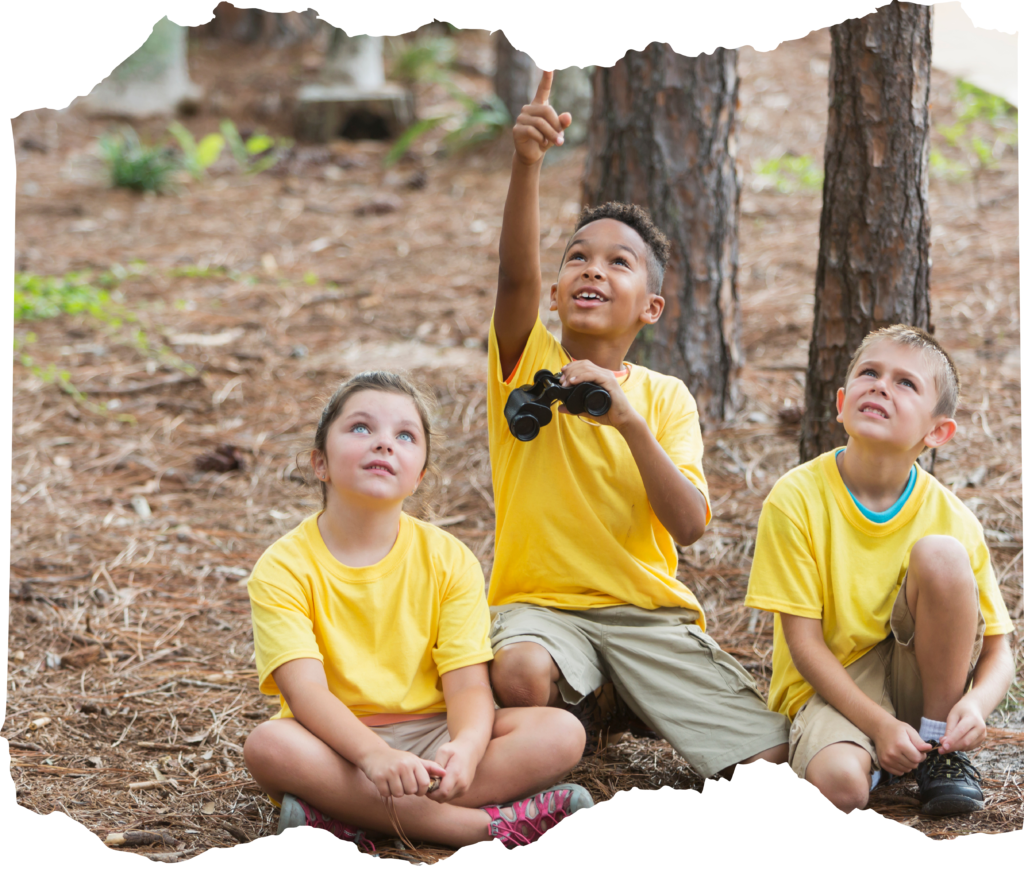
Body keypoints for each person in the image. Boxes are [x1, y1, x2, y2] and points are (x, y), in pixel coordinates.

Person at [485, 70, 791, 779]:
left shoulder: (666, 397)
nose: (593, 269)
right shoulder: (527, 363)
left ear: (650, 307)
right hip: (544, 610)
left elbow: (688, 526)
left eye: (619, 262)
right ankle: (581, 710)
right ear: (557, 293)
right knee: (521, 671)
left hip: (645, 616)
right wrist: (527, 164)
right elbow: (512, 282)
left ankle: (617, 696)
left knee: (769, 759)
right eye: (578, 259)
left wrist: (628, 423)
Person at [243, 371, 592, 851]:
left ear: (420, 474)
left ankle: (347, 819)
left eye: (405, 436)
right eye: (361, 428)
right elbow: (306, 696)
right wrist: (373, 757)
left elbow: (468, 683)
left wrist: (467, 749)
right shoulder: (282, 567)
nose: (384, 444)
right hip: (337, 745)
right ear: (319, 463)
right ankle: (487, 828)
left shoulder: (448, 558)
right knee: (269, 746)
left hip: (434, 737)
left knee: (560, 732)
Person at [745, 325, 1015, 814]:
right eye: (870, 373)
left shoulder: (953, 517)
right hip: (833, 687)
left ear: (937, 432)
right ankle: (878, 753)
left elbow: (1000, 650)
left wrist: (974, 707)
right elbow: (804, 645)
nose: (881, 386)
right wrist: (878, 724)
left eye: (905, 383)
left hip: (923, 688)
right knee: (842, 787)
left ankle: (935, 752)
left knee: (942, 555)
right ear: (842, 402)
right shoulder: (796, 499)